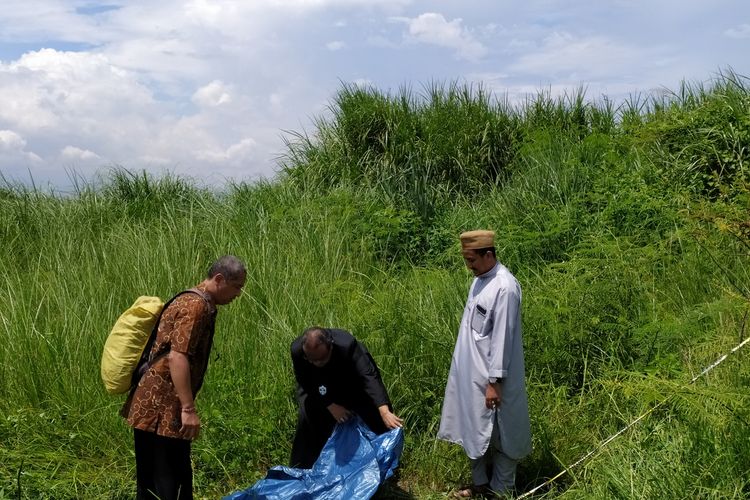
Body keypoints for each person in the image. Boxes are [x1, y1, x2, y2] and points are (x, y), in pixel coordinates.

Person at [121, 255, 247, 500]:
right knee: (169, 477)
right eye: (237, 286)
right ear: (219, 279)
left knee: (159, 475)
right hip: (162, 404)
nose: (238, 293)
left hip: (157, 401)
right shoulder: (195, 306)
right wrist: (188, 408)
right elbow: (177, 357)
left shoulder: (197, 301)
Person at [438, 230, 531, 498]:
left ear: (488, 255)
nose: (469, 267)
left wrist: (494, 382)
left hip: (493, 380)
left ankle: (500, 491)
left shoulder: (505, 287)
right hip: (471, 375)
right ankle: (479, 484)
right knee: (471, 428)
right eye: (466, 260)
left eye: (472, 261)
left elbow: (502, 337)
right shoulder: (480, 279)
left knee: (503, 435)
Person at [289, 327, 403, 468]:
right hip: (316, 384)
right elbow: (305, 381)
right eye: (312, 360)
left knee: (375, 414)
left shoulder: (346, 344)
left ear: (331, 346)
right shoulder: (298, 350)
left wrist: (384, 410)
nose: (317, 363)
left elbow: (368, 376)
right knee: (308, 416)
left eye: (321, 359)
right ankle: (305, 466)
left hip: (349, 375)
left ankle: (385, 461)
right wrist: (330, 405)